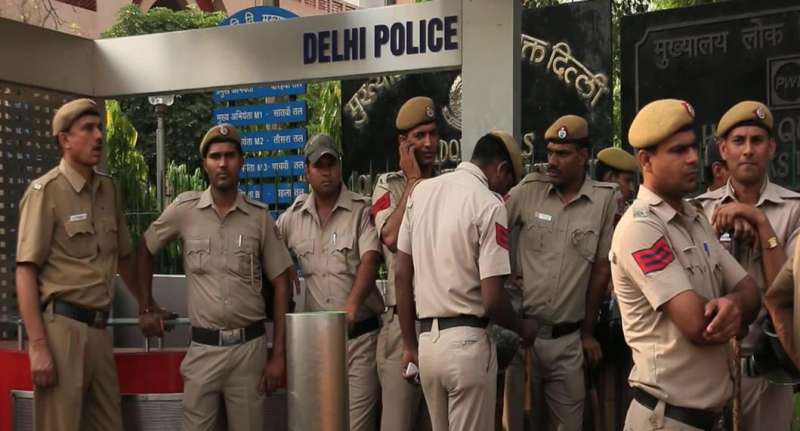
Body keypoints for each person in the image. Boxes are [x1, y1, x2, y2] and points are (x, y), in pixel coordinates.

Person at [611, 99, 760, 431]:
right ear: (646, 160)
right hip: (666, 420)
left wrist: (733, 304)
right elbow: (696, 323)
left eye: (693, 147)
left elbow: (750, 291)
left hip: (706, 418)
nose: (693, 158)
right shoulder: (641, 228)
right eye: (678, 150)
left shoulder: (695, 219)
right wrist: (735, 309)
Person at [138, 124, 293, 431]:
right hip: (203, 350)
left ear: (241, 162)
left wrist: (277, 355)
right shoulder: (185, 210)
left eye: (230, 156)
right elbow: (144, 248)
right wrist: (146, 306)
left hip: (249, 351)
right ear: (205, 164)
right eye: (215, 156)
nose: (223, 163)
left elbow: (281, 284)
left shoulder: (258, 217)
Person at [15, 98, 158, 431]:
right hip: (61, 330)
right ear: (65, 139)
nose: (98, 136)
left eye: (99, 128)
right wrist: (38, 346)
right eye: (88, 129)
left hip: (99, 330)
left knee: (109, 423)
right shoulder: (45, 192)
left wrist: (146, 305)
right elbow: (25, 271)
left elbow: (124, 257)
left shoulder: (108, 189)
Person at [396, 130, 539, 431]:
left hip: (428, 344)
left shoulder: (421, 193)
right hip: (467, 345)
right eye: (508, 183)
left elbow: (401, 274)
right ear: (501, 169)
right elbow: (493, 299)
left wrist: (409, 343)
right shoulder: (489, 204)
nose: (506, 193)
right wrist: (521, 327)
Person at [504, 115, 618, 431]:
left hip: (568, 343)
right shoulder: (529, 190)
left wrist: (587, 332)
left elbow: (601, 271)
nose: (552, 161)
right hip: (524, 339)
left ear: (583, 156)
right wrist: (504, 278)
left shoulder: (603, 200)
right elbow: (489, 231)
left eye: (563, 154)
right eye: (550, 152)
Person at [694, 101, 800, 430]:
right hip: (706, 369)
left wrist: (759, 222)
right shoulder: (698, 211)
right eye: (739, 141)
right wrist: (716, 232)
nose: (748, 150)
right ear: (723, 149)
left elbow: (788, 293)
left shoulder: (794, 210)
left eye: (757, 140)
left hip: (767, 370)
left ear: (772, 148)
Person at [277, 134, 383, 431]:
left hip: (359, 340)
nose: (326, 172)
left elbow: (371, 260)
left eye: (331, 164)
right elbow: (268, 249)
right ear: (306, 171)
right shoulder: (293, 217)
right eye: (319, 166)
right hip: (317, 343)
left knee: (357, 425)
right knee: (320, 424)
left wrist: (351, 306)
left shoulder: (361, 210)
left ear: (339, 167)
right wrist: (283, 267)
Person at [371, 96, 438, 431]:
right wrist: (412, 183)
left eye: (433, 134)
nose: (429, 143)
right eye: (419, 136)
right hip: (402, 325)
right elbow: (390, 237)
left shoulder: (446, 185)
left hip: (439, 324)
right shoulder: (389, 185)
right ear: (403, 143)